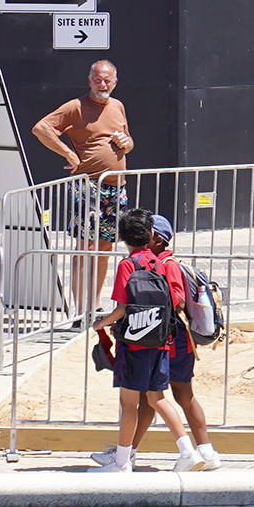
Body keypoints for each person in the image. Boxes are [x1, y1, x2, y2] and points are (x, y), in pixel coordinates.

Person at [87, 210, 189, 472]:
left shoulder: (128, 265)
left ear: (121, 237)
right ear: (150, 235)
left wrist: (101, 323)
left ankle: (122, 462)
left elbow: (123, 307)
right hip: (160, 341)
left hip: (134, 344)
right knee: (158, 398)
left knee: (129, 403)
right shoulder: (159, 262)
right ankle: (188, 451)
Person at [34, 62, 133, 319]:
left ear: (115, 82)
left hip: (116, 188)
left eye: (107, 80)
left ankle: (95, 306)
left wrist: (127, 143)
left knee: (105, 249)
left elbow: (129, 142)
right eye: (98, 80)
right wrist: (68, 153)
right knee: (85, 248)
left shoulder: (118, 106)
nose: (102, 85)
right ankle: (81, 312)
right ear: (89, 81)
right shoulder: (75, 106)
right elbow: (41, 128)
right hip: (88, 187)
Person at [148, 216, 219, 471]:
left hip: (174, 338)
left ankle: (203, 451)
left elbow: (177, 300)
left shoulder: (167, 265)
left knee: (176, 395)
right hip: (177, 338)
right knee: (176, 395)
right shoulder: (164, 262)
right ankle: (207, 452)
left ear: (158, 239)